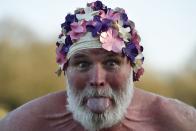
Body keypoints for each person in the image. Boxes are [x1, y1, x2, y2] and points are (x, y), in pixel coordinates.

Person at [0, 1, 196, 131]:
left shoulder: (177, 121)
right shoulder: (24, 124)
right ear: (66, 70)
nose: (97, 80)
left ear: (133, 69)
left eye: (111, 63)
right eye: (83, 64)